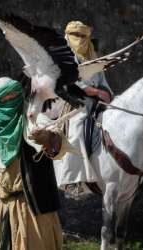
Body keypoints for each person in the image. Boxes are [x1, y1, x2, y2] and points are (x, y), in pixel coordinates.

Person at [0, 77, 64, 250]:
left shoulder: (34, 124)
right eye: (4, 99)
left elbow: (57, 147)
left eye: (14, 97)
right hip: (0, 208)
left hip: (33, 209)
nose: (10, 102)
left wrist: (49, 140)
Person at [53, 21, 113, 195]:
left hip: (98, 101)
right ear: (68, 35)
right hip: (73, 101)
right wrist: (94, 91)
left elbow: (103, 81)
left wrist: (107, 94)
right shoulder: (63, 56)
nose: (80, 39)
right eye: (76, 35)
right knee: (78, 127)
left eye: (83, 36)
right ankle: (72, 181)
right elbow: (67, 82)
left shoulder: (93, 57)